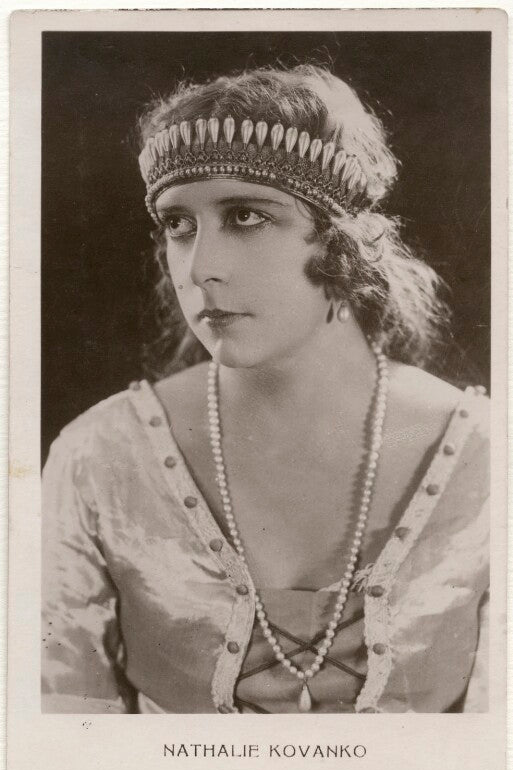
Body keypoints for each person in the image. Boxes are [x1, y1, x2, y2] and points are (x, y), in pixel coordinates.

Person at [42, 65, 489, 714]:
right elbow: (60, 734)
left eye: (246, 216)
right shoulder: (97, 459)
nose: (200, 268)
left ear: (342, 243)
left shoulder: (486, 458)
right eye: (179, 225)